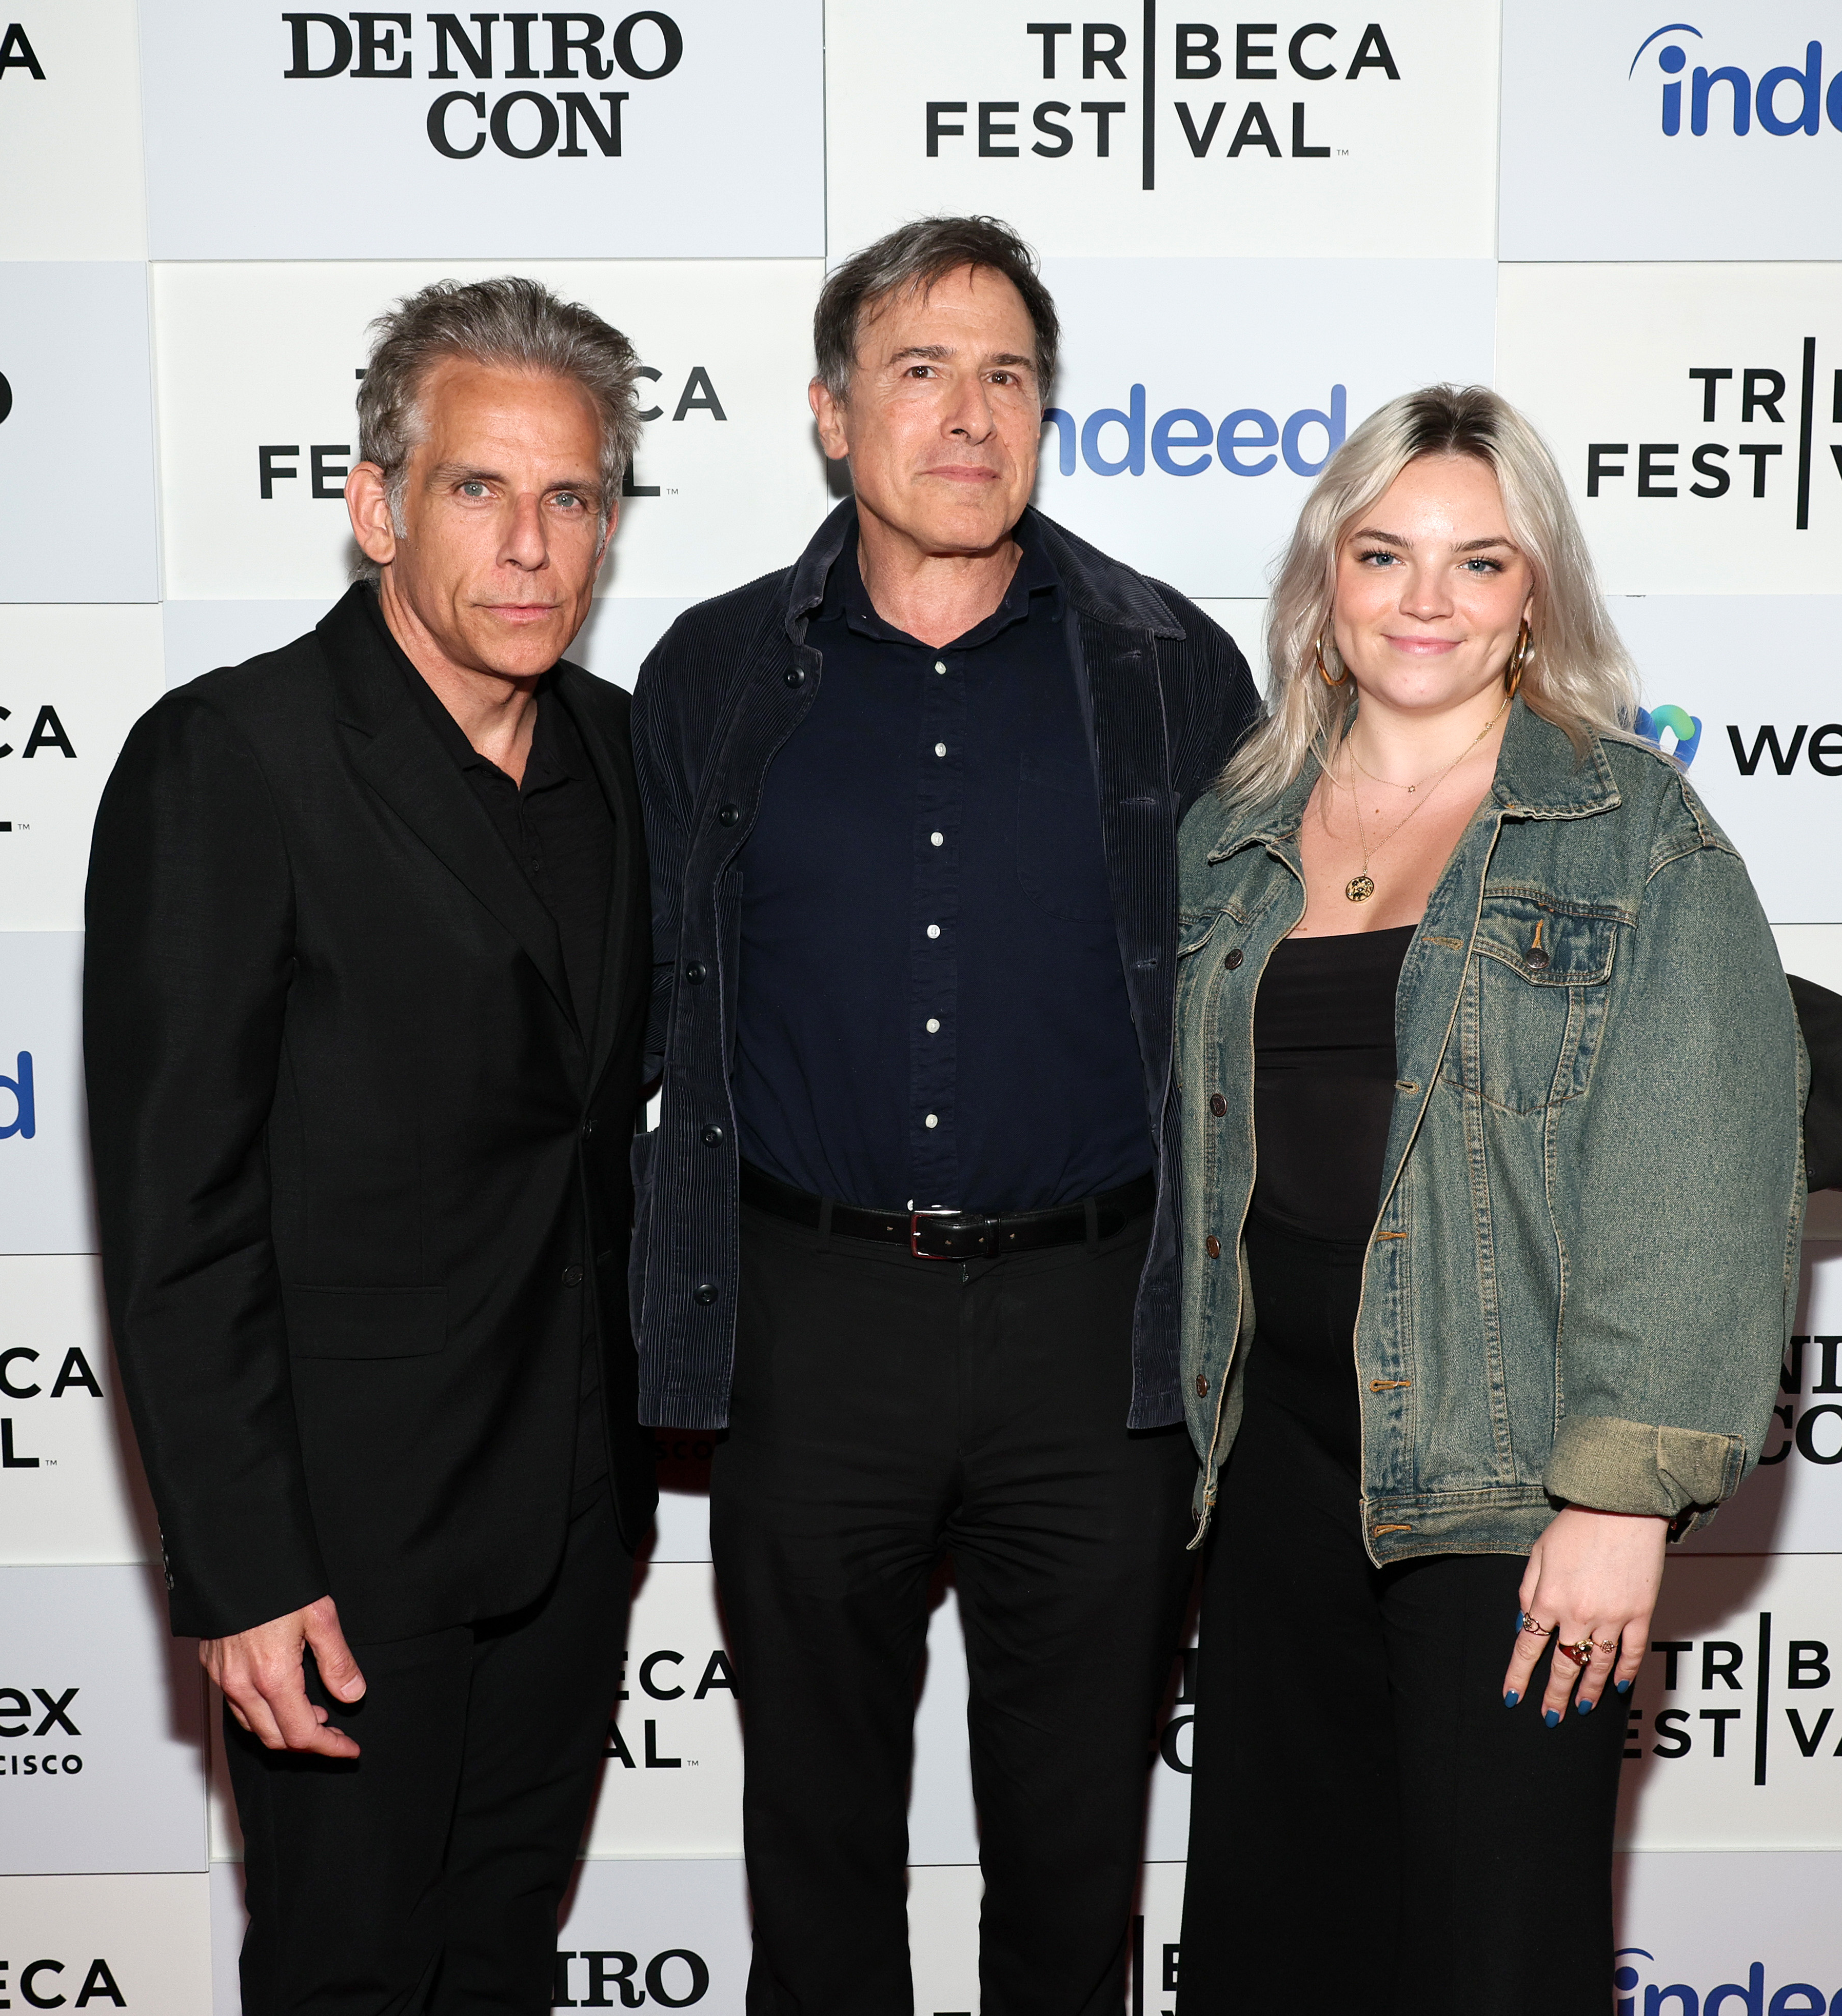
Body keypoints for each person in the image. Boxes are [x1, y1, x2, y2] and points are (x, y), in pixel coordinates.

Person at [627, 215, 1262, 2013]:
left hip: (1095, 1332)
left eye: (1007, 375)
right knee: (814, 1858)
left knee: (1074, 1865)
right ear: (833, 416)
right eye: (920, 370)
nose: (969, 413)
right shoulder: (712, 673)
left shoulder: (1167, 667)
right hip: (808, 1325)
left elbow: (1252, 1008)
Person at [1167, 385, 1806, 2012]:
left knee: (1495, 1955)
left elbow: (1705, 1174)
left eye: (1479, 562)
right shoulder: (1232, 832)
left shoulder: (1633, 833)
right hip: (1269, 1474)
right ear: (1326, 579)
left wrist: (1620, 1499)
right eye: (1384, 554)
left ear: (1538, 597)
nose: (1426, 602)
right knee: (1280, 1936)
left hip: (1512, 1484)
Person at [83, 277, 656, 2013]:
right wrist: (244, 1570)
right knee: (345, 1972)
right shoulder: (230, 761)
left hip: (568, 1510)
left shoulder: (623, 754)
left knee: (498, 1961)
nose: (531, 546)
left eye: (572, 498)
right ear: (375, 502)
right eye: (480, 489)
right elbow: (175, 1212)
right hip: (342, 1542)